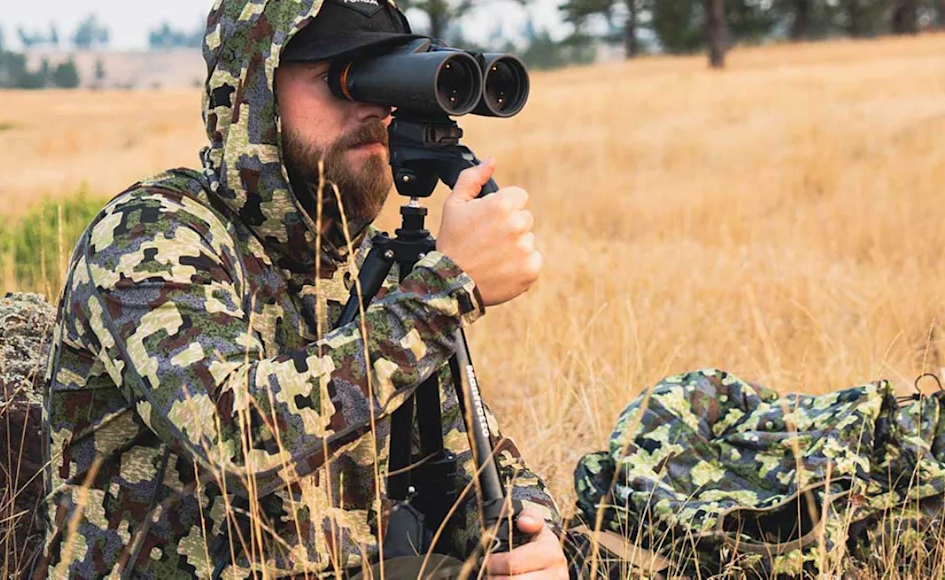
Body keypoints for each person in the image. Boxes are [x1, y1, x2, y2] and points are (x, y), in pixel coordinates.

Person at [38, 0, 570, 577]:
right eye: (341, 79)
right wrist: (442, 296)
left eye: (383, 76)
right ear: (253, 99)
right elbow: (233, 439)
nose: (373, 109)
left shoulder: (374, 262)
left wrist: (531, 533)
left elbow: (473, 461)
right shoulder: (152, 232)